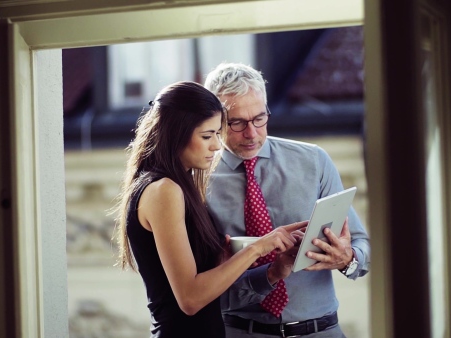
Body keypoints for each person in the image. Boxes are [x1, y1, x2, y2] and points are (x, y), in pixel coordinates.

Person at [114, 81, 307, 338]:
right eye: (207, 136)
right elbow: (190, 299)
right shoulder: (164, 190)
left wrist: (221, 260)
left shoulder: (177, 187)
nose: (216, 146)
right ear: (175, 133)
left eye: (218, 134)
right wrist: (259, 247)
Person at [204, 63, 371, 338]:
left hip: (321, 331)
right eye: (237, 122)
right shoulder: (196, 182)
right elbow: (201, 288)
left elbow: (361, 245)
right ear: (214, 120)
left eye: (260, 118)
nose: (252, 133)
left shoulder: (313, 161)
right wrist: (269, 273)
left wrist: (348, 258)